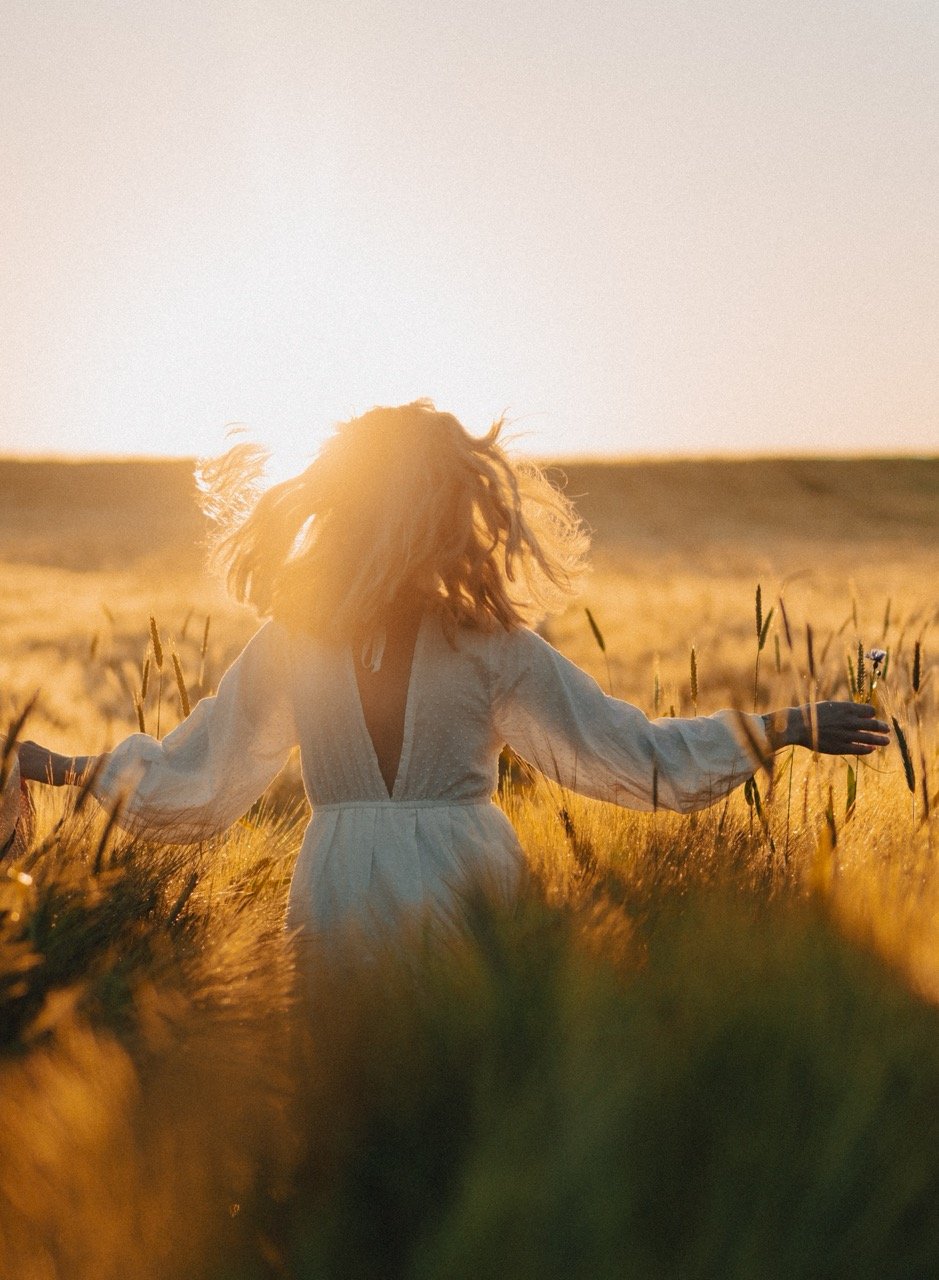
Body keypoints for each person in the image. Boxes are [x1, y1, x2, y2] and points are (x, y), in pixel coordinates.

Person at [15, 401, 890, 938]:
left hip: (350, 890)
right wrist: (787, 727)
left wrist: (788, 725)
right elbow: (631, 757)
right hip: (446, 889)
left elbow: (193, 781)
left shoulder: (321, 641)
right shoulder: (457, 643)